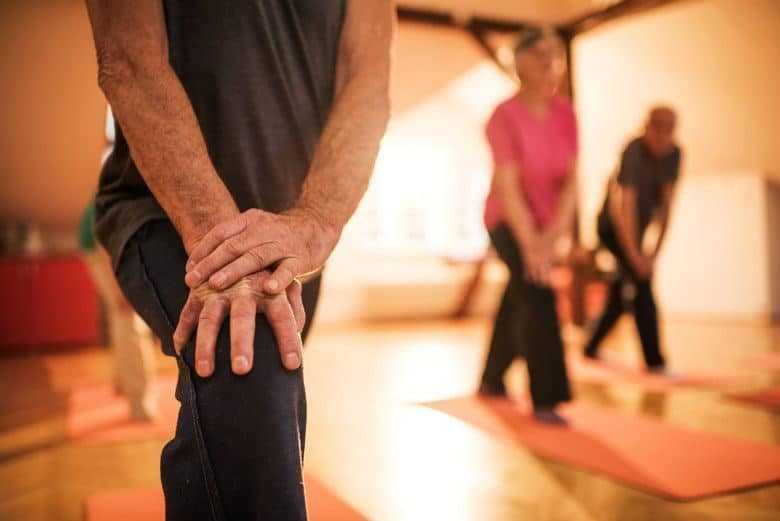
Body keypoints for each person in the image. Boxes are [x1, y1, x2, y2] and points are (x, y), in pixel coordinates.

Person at [84, 1, 393, 519]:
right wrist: (226, 248)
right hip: (163, 211)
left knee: (264, 416)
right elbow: (127, 58)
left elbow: (367, 81)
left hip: (291, 230)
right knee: (250, 360)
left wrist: (315, 220)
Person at [478, 26, 578, 425]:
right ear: (518, 61)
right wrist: (532, 244)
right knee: (537, 289)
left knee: (519, 291)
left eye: (553, 54)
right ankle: (547, 397)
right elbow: (507, 183)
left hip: (546, 221)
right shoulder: (503, 116)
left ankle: (491, 380)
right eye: (538, 53)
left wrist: (552, 237)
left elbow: (571, 182)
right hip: (506, 220)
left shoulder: (565, 113)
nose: (547, 61)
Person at [583, 107, 681, 373]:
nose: (663, 135)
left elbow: (668, 206)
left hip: (637, 230)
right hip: (611, 228)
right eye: (657, 127)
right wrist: (636, 256)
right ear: (645, 127)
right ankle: (655, 361)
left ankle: (590, 346)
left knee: (620, 292)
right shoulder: (633, 151)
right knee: (642, 283)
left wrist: (654, 253)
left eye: (669, 128)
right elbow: (623, 207)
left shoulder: (674, 155)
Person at [78, 201, 158, 421]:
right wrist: (119, 286)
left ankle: (122, 382)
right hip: (100, 244)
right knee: (128, 317)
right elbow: (105, 237)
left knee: (122, 315)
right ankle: (139, 401)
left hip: (108, 239)